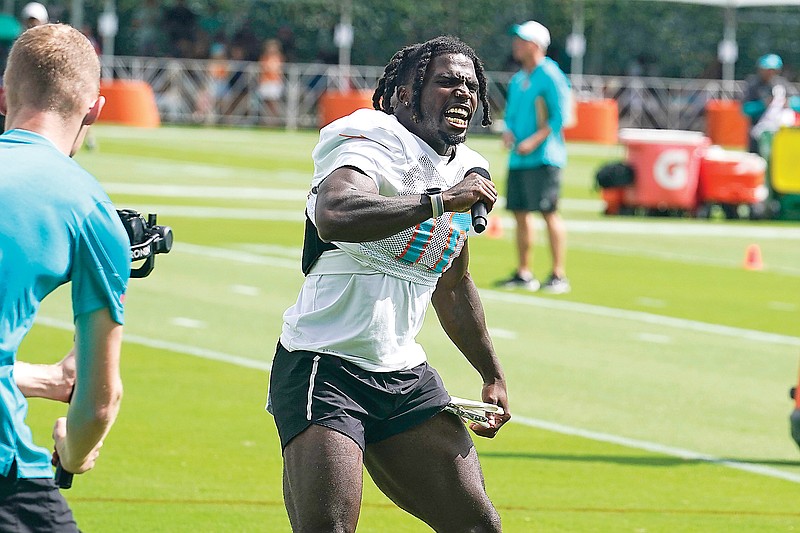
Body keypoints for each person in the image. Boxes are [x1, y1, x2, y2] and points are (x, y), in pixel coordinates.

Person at [267, 35, 511, 532]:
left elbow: (453, 284)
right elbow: (336, 213)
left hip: (402, 376)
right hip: (325, 364)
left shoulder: (465, 167)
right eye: (446, 81)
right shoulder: (370, 135)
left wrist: (491, 373)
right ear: (404, 93)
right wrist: (440, 200)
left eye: (470, 85)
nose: (462, 92)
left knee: (477, 527)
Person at [0, 23, 129, 531]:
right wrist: (73, 454)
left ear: (5, 96)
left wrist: (39, 379)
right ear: (95, 110)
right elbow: (99, 403)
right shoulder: (88, 206)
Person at [498, 20, 571, 294]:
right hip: (519, 159)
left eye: (522, 40)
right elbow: (512, 117)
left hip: (544, 158)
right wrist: (508, 132)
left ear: (537, 45)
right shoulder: (519, 79)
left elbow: (561, 118)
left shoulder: (551, 75)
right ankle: (524, 272)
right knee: (520, 213)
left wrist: (534, 140)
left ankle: (558, 274)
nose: (516, 44)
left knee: (549, 212)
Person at [741, 53, 800, 156]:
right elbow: (745, 109)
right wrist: (763, 105)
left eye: (773, 70)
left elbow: (797, 104)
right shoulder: (754, 85)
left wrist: (789, 103)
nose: (770, 73)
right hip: (757, 132)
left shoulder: (783, 84)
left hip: (780, 131)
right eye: (767, 70)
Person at [257, 39, 285, 119]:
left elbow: (277, 69)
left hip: (275, 82)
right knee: (265, 103)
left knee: (274, 102)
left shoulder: (279, 57)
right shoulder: (264, 57)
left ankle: (275, 118)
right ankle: (268, 119)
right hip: (265, 81)